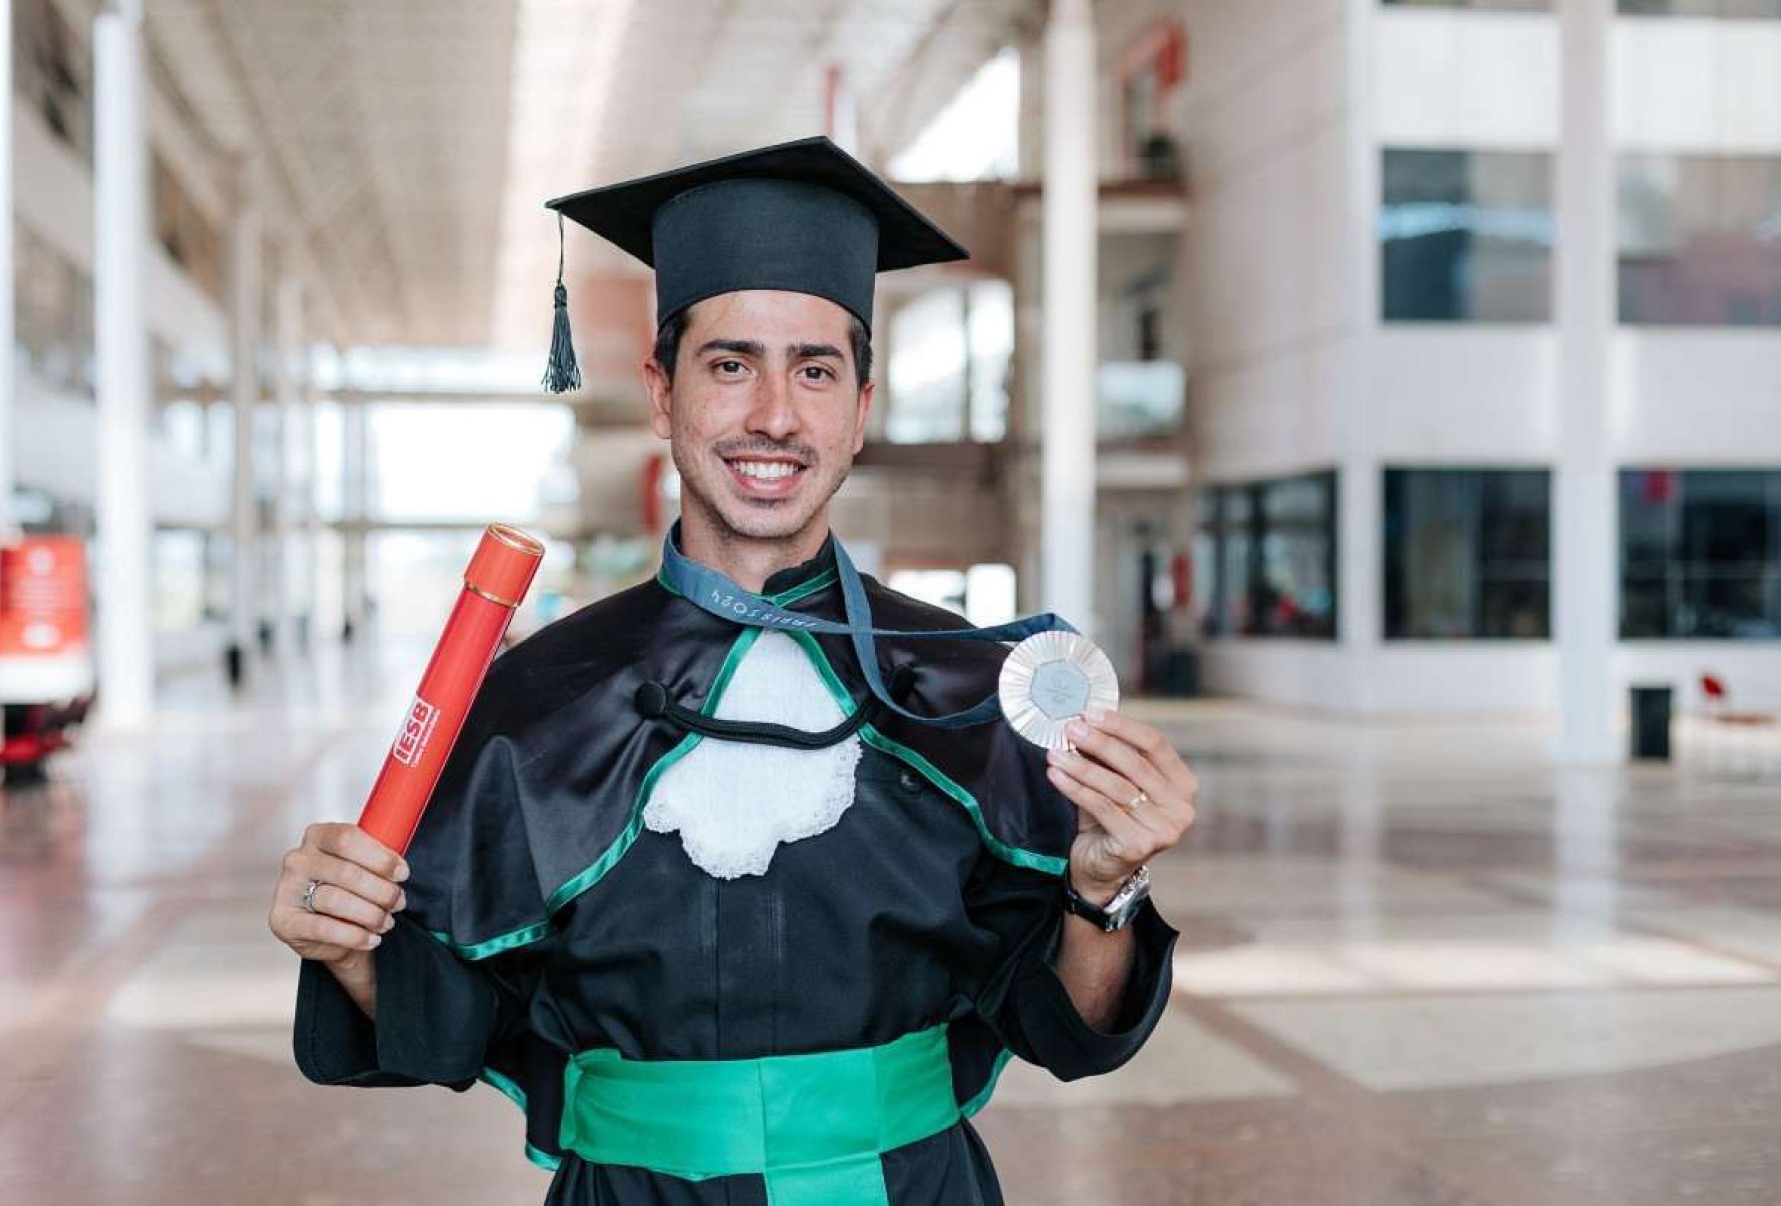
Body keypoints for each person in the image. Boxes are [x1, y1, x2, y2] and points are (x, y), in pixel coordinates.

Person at [269, 137, 1198, 1205]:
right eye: (729, 364)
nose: (773, 415)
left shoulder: (958, 689)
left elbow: (1071, 1030)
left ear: (861, 406)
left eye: (814, 369)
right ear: (662, 393)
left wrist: (1102, 889)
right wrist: (343, 939)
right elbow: (444, 1020)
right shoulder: (537, 696)